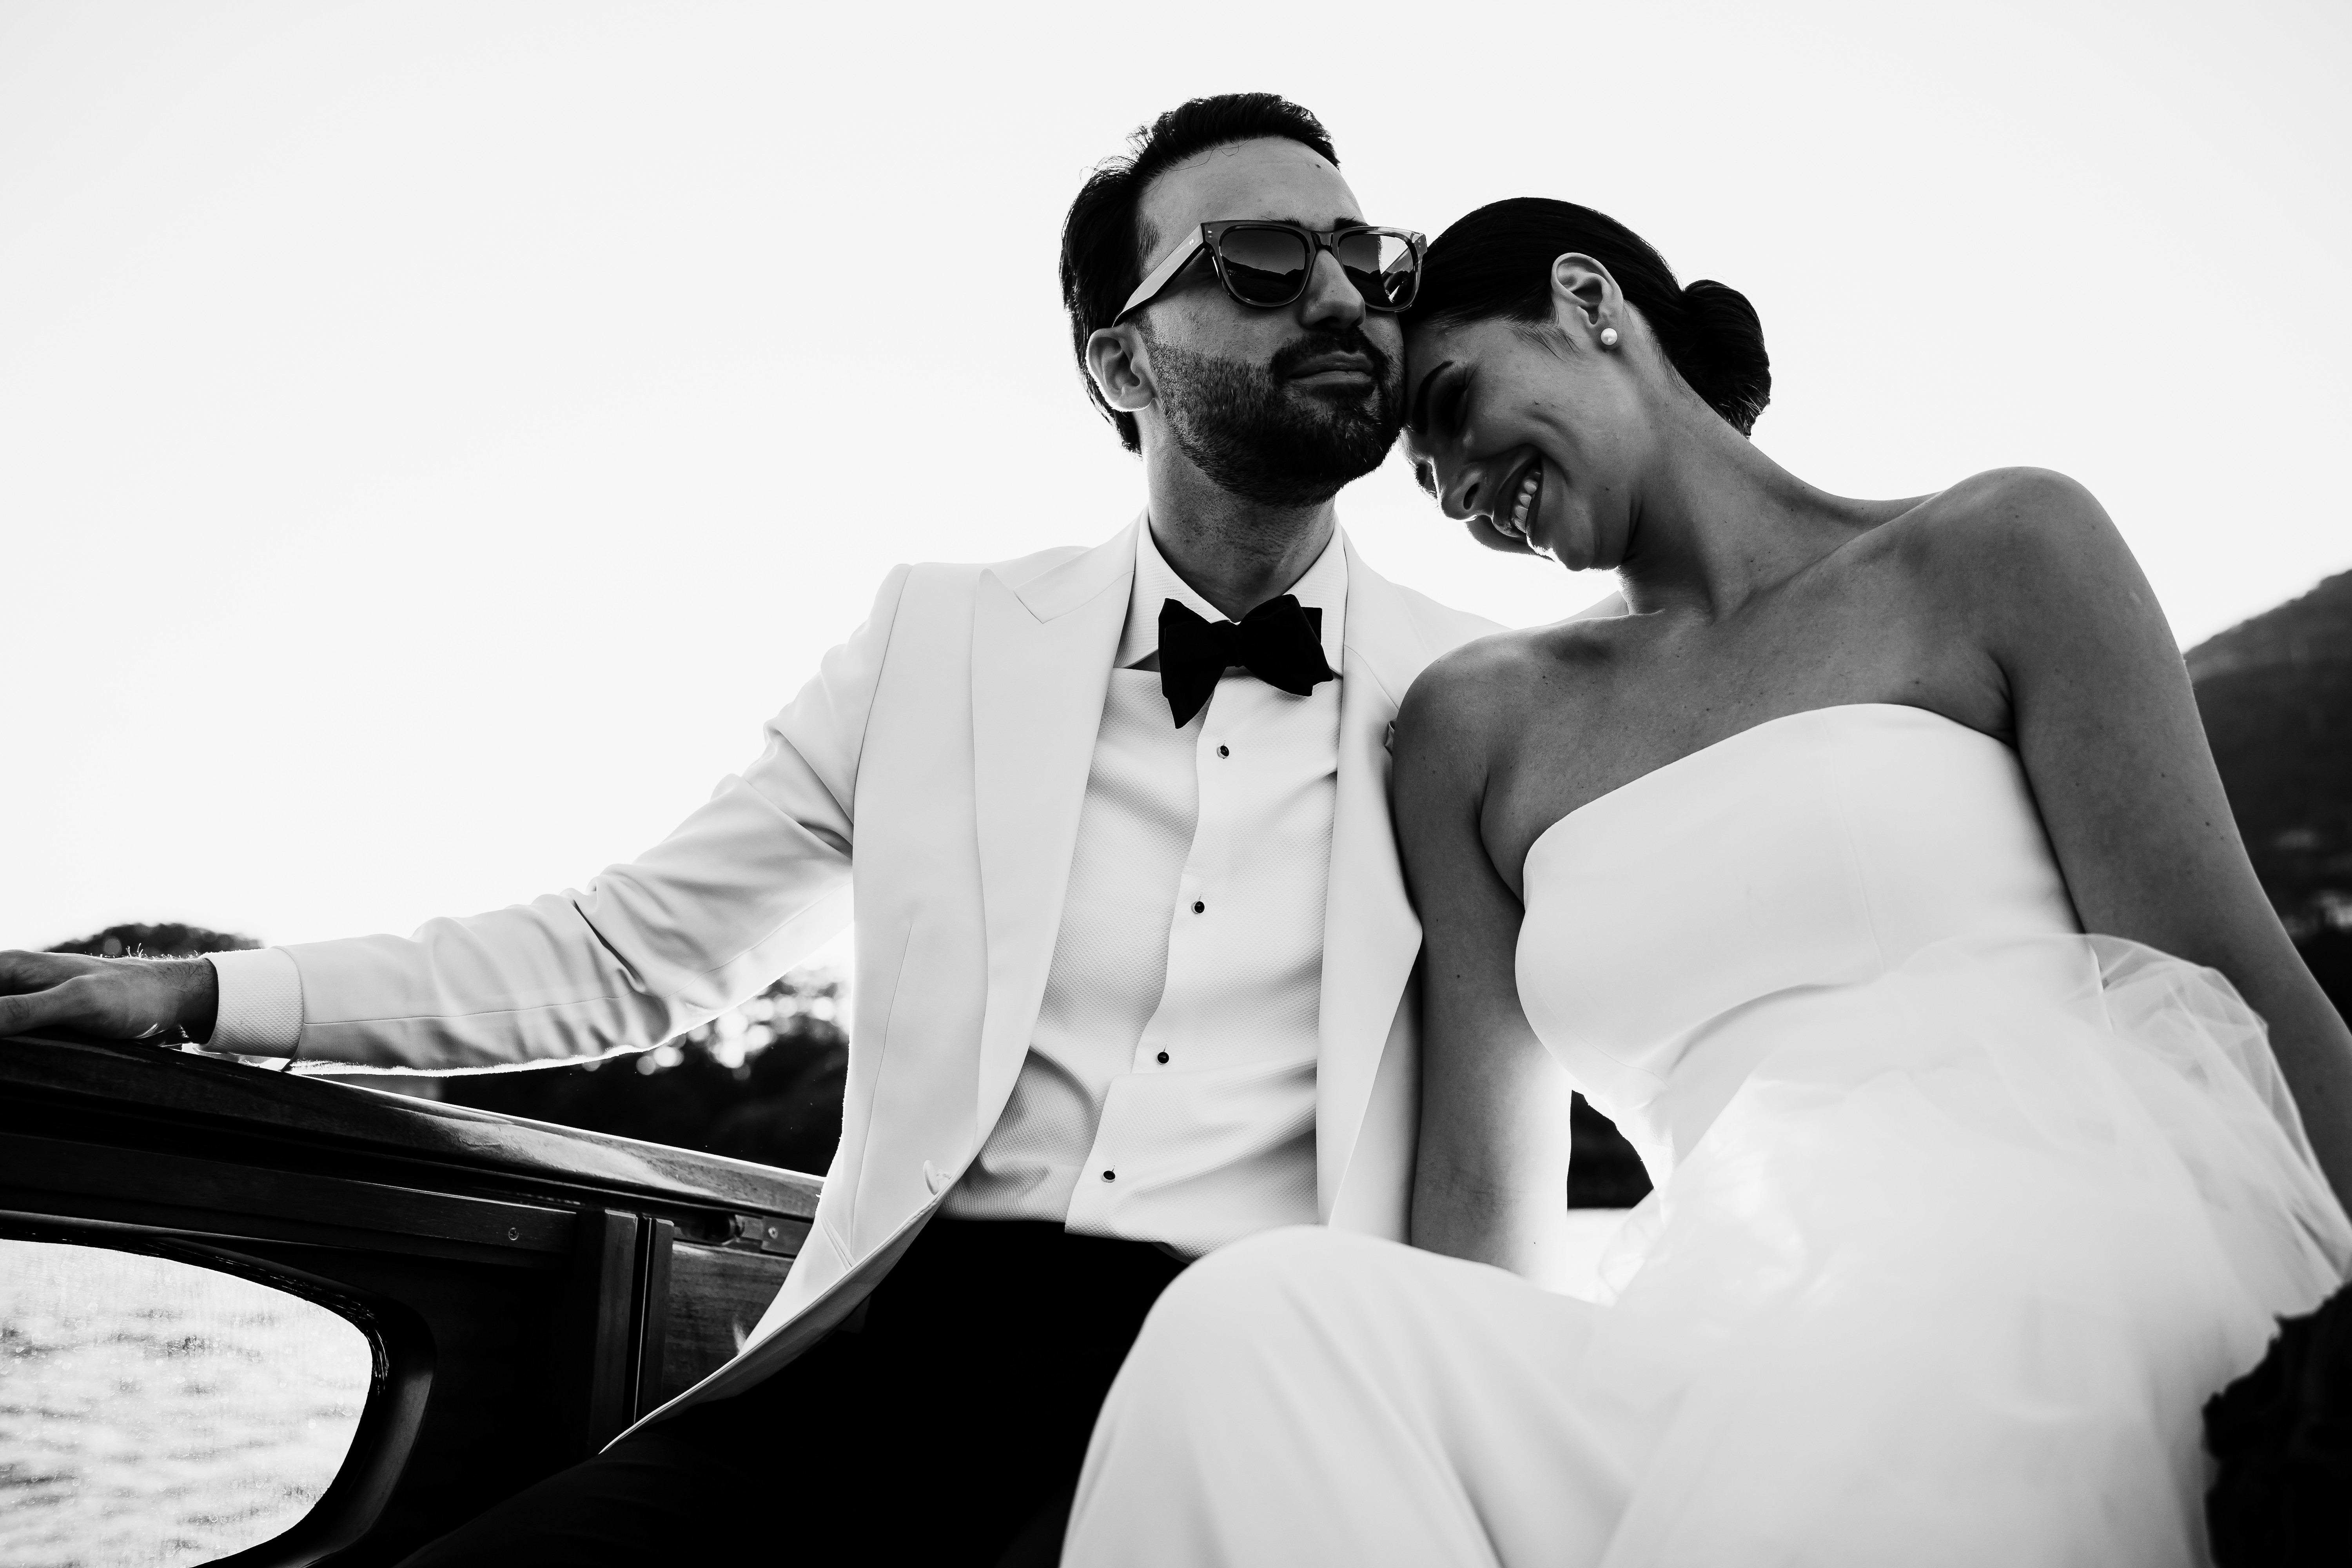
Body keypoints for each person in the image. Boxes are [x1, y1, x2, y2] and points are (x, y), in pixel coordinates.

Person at [0, 94, 1506, 1564]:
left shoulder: (1483, 699)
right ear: (1120, 360)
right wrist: (197, 993)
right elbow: (628, 954)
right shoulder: (941, 642)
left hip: (1266, 1411)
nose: (1340, 298)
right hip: (887, 1386)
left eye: (1367, 258)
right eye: (1261, 261)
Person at [1060, 198, 2352, 1566]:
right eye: (1423, 479)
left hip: (2067, 1289)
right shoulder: (1476, 728)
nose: (1458, 495)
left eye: (1454, 407)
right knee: (1256, 1329)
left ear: (1586, 302)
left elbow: (2230, 975)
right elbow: (1483, 1201)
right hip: (1724, 1348)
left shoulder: (1996, 552)